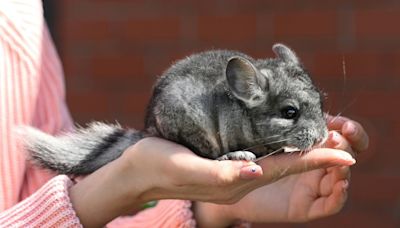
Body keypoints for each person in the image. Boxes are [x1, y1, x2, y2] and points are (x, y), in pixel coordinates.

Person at [0, 1, 369, 227]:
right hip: (186, 118)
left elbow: (63, 205)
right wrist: (123, 182)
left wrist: (215, 206)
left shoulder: (22, 19)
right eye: (291, 114)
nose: (314, 128)